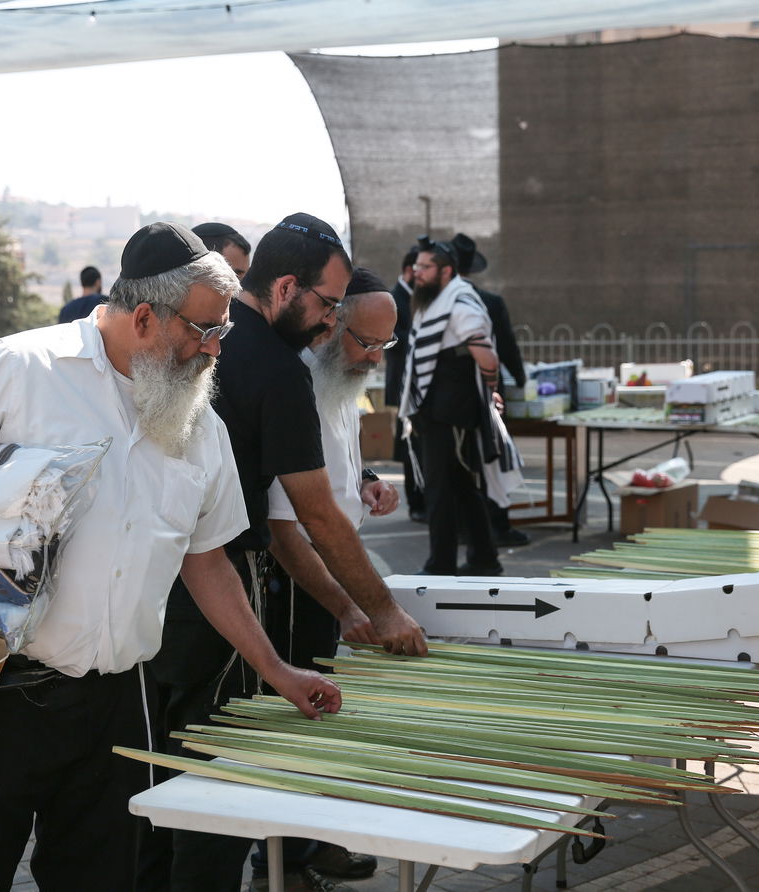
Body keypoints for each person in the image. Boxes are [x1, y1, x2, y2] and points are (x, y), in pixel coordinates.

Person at [0, 222, 341, 892]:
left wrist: (276, 668)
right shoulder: (19, 371)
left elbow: (207, 560)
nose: (214, 352)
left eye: (223, 335)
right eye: (204, 332)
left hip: (120, 703)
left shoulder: (200, 427)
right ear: (146, 317)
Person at [147, 213, 427, 892]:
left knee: (162, 777)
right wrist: (382, 612)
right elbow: (316, 518)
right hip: (218, 594)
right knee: (220, 777)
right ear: (285, 288)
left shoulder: (210, 341)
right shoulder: (278, 371)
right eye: (328, 305)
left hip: (156, 592)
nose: (330, 323)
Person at [244, 270, 400, 890]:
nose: (373, 357)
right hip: (301, 588)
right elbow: (289, 528)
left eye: (386, 347)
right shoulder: (295, 382)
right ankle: (276, 862)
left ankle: (314, 843)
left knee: (327, 717)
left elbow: (336, 468)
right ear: (332, 324)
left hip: (331, 580)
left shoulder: (342, 380)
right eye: (366, 342)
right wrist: (350, 606)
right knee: (300, 719)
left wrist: (366, 484)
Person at [402, 237, 505, 576]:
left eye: (425, 267)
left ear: (446, 271)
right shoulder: (440, 300)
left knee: (442, 491)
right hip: (440, 411)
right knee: (460, 486)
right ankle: (484, 558)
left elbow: (486, 353)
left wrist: (490, 390)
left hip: (451, 413)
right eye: (417, 267)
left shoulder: (459, 303)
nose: (418, 273)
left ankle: (442, 564)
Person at [449, 232, 530, 548]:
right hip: (488, 391)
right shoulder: (491, 302)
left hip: (455, 398)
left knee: (462, 464)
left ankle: (466, 527)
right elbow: (507, 347)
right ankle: (498, 524)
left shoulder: (442, 301)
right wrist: (521, 380)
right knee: (494, 459)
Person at [384, 246, 425, 522]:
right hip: (404, 385)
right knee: (411, 446)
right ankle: (417, 502)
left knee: (422, 446)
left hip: (422, 385)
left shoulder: (419, 297)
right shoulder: (393, 299)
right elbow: (391, 339)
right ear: (409, 271)